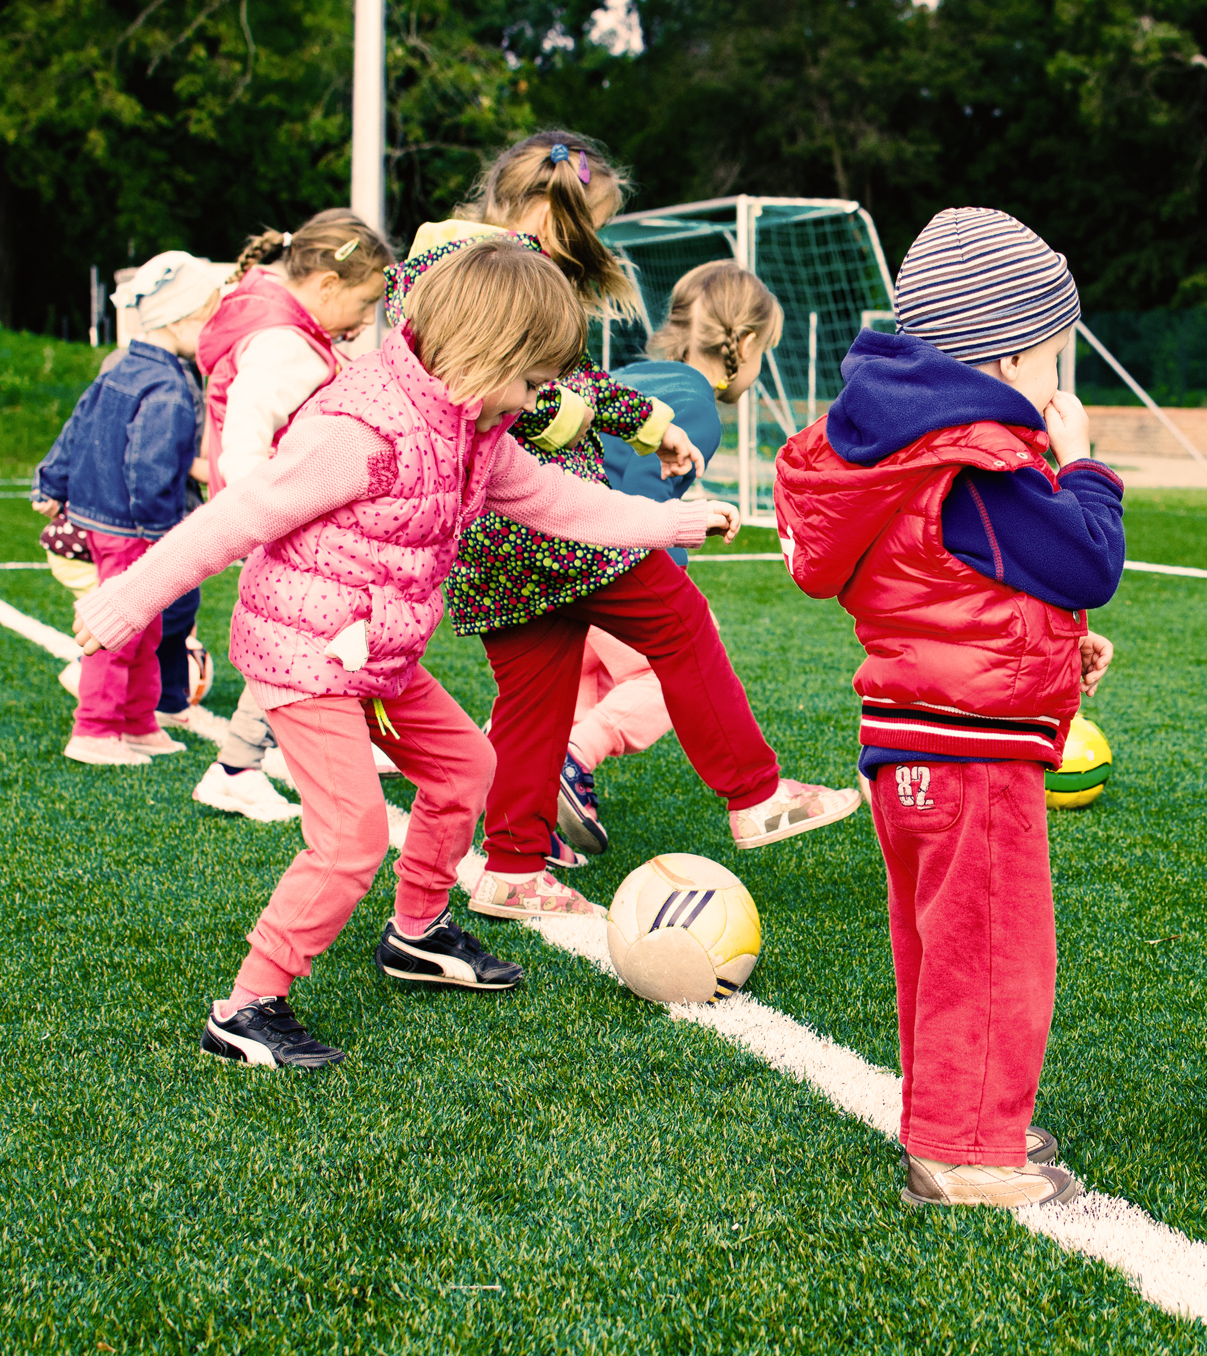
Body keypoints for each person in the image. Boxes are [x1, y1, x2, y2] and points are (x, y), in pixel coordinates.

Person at [71, 238, 741, 1069]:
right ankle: (246, 1008)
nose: (539, 401)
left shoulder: (474, 429)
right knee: (350, 838)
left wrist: (672, 522)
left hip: (378, 656)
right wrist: (128, 599)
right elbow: (236, 518)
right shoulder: (361, 431)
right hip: (306, 657)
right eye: (533, 382)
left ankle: (417, 934)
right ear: (485, 354)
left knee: (468, 768)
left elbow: (557, 502)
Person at [391, 131, 859, 923]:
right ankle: (755, 794)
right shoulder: (492, 272)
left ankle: (510, 867)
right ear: (548, 212)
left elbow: (566, 379)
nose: (592, 247)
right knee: (679, 621)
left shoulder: (445, 261)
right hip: (548, 522)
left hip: (489, 537)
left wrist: (651, 426)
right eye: (590, 227)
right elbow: (514, 391)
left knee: (536, 699)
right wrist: (591, 425)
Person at [775, 208, 1127, 1209]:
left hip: (912, 741)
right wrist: (1084, 464)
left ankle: (954, 1113)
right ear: (1008, 353)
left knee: (939, 949)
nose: (1058, 381)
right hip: (970, 758)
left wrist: (1057, 646)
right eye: (1053, 356)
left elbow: (950, 585)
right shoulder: (974, 459)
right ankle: (964, 1152)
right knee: (991, 952)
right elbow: (1087, 559)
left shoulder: (903, 449)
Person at [552, 259, 779, 858]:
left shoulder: (632, 376)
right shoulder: (695, 406)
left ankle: (526, 801)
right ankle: (575, 756)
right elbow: (640, 501)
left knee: (573, 680)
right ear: (745, 344)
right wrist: (668, 578)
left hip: (548, 555)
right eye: (766, 351)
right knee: (666, 667)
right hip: (601, 559)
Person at [189, 209, 396, 824]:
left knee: (319, 635)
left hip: (288, 516)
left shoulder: (288, 330)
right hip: (285, 521)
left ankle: (275, 754)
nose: (365, 323)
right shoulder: (284, 345)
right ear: (328, 287)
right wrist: (270, 515)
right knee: (304, 640)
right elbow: (247, 443)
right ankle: (236, 767)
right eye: (364, 304)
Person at [33, 251, 231, 766]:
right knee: (123, 630)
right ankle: (95, 729)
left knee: (147, 627)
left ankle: (139, 722)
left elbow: (76, 424)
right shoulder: (168, 384)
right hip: (136, 528)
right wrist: (163, 535)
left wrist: (50, 479)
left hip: (105, 520)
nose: (211, 330)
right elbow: (150, 465)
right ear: (183, 320)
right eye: (208, 318)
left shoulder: (120, 363)